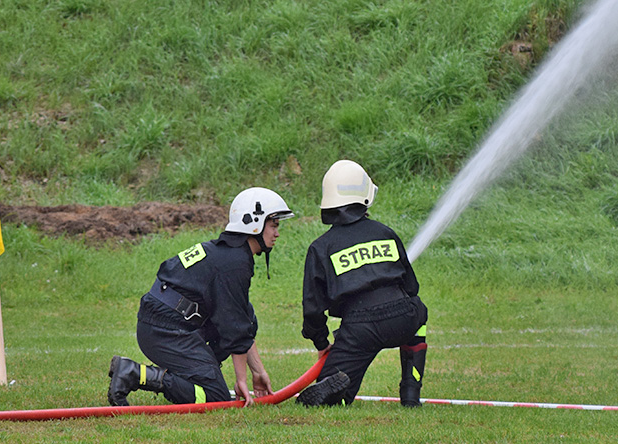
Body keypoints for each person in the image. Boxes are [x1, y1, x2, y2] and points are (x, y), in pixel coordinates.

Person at [107, 187, 294, 407]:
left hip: (168, 323)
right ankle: (135, 374)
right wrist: (241, 379)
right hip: (164, 331)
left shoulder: (229, 254)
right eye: (274, 225)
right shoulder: (234, 263)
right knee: (216, 396)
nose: (277, 233)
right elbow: (232, 324)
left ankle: (199, 371)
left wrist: (258, 371)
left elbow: (241, 320)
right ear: (254, 223)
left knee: (248, 314)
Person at [298, 160, 428, 407]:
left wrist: (322, 343)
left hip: (360, 329)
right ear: (364, 196)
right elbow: (412, 287)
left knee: (332, 397)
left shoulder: (321, 247)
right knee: (419, 311)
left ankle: (339, 387)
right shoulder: (385, 232)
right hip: (403, 318)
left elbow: (312, 308)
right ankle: (411, 396)